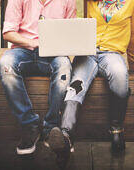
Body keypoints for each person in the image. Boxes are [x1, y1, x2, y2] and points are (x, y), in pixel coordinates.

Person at [50, 0, 133, 155]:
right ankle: (66, 135)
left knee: (120, 76)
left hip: (112, 53)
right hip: (87, 52)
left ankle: (116, 130)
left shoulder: (130, 2)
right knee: (76, 85)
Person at [0, 0, 76, 155]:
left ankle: (51, 128)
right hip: (23, 50)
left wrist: (60, 44)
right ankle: (29, 127)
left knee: (64, 66)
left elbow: (71, 32)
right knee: (5, 63)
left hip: (53, 53)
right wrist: (33, 42)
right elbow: (7, 33)